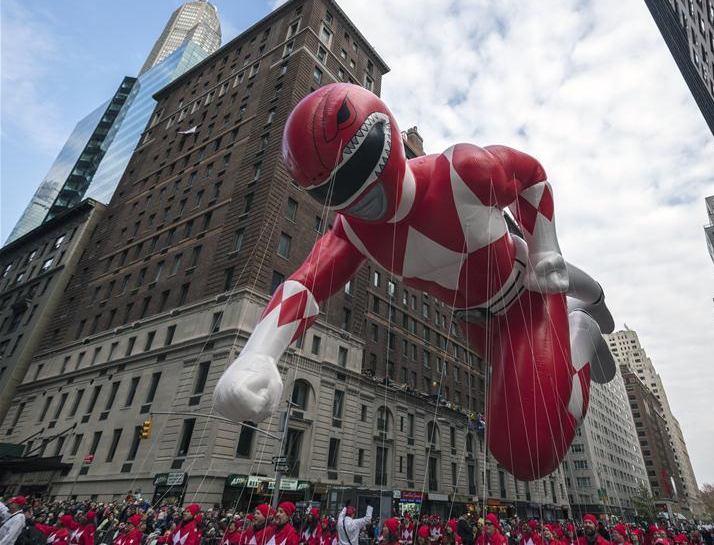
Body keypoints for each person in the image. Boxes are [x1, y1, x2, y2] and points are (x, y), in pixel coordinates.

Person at [213, 83, 617, 483]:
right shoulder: (353, 231)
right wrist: (259, 352)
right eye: (334, 191)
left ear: (384, 141)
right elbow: (306, 283)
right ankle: (588, 299)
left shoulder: (461, 171)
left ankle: (580, 332)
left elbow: (532, 177)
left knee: (529, 452)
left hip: (526, 301)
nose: (360, 201)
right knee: (513, 446)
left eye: (359, 173)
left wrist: (545, 247)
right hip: (479, 325)